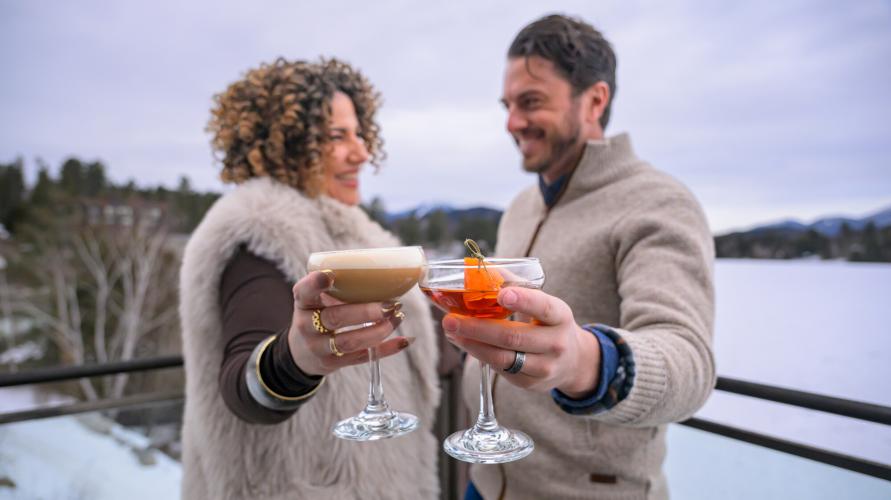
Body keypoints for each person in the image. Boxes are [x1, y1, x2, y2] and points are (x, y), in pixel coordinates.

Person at [442, 15, 715, 499]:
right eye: (507, 105)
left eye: (531, 102)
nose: (512, 122)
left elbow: (690, 363)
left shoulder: (659, 201)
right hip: (485, 483)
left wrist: (584, 362)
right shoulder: (522, 207)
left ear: (595, 100)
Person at [178, 58, 440, 499]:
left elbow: (407, 345)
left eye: (359, 134)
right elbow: (243, 383)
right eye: (337, 137)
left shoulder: (357, 234)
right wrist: (292, 363)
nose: (361, 153)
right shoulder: (258, 233)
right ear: (285, 144)